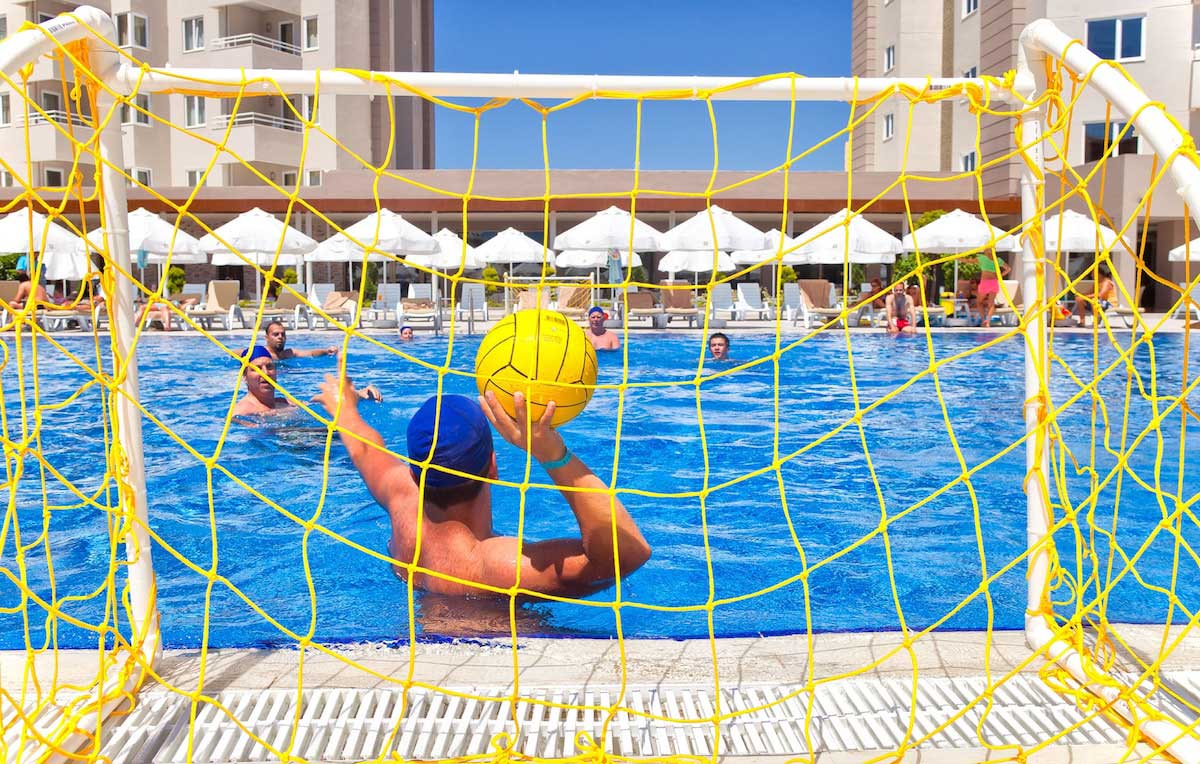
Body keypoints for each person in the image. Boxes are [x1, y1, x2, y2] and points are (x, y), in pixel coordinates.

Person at [313, 383, 652, 597]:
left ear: (415, 474)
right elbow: (628, 553)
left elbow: (366, 450)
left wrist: (345, 408)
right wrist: (552, 453)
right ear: (493, 465)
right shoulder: (495, 566)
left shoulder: (402, 501)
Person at [233, 345, 381, 418]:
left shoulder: (284, 402)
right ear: (244, 376)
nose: (265, 373)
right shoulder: (242, 412)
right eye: (257, 369)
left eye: (270, 367)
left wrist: (358, 394)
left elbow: (316, 404)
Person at [263, 320, 337, 359]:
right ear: (267, 338)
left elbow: (311, 353)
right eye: (276, 334)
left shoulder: (289, 353)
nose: (280, 337)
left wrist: (327, 351)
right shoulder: (262, 354)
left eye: (283, 334)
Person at [976, 250, 1011, 327]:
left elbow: (968, 261)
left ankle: (983, 320)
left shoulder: (982, 258)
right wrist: (999, 276)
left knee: (979, 302)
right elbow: (1008, 268)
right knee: (991, 303)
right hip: (994, 282)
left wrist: (958, 258)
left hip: (985, 282)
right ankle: (988, 322)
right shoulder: (997, 259)